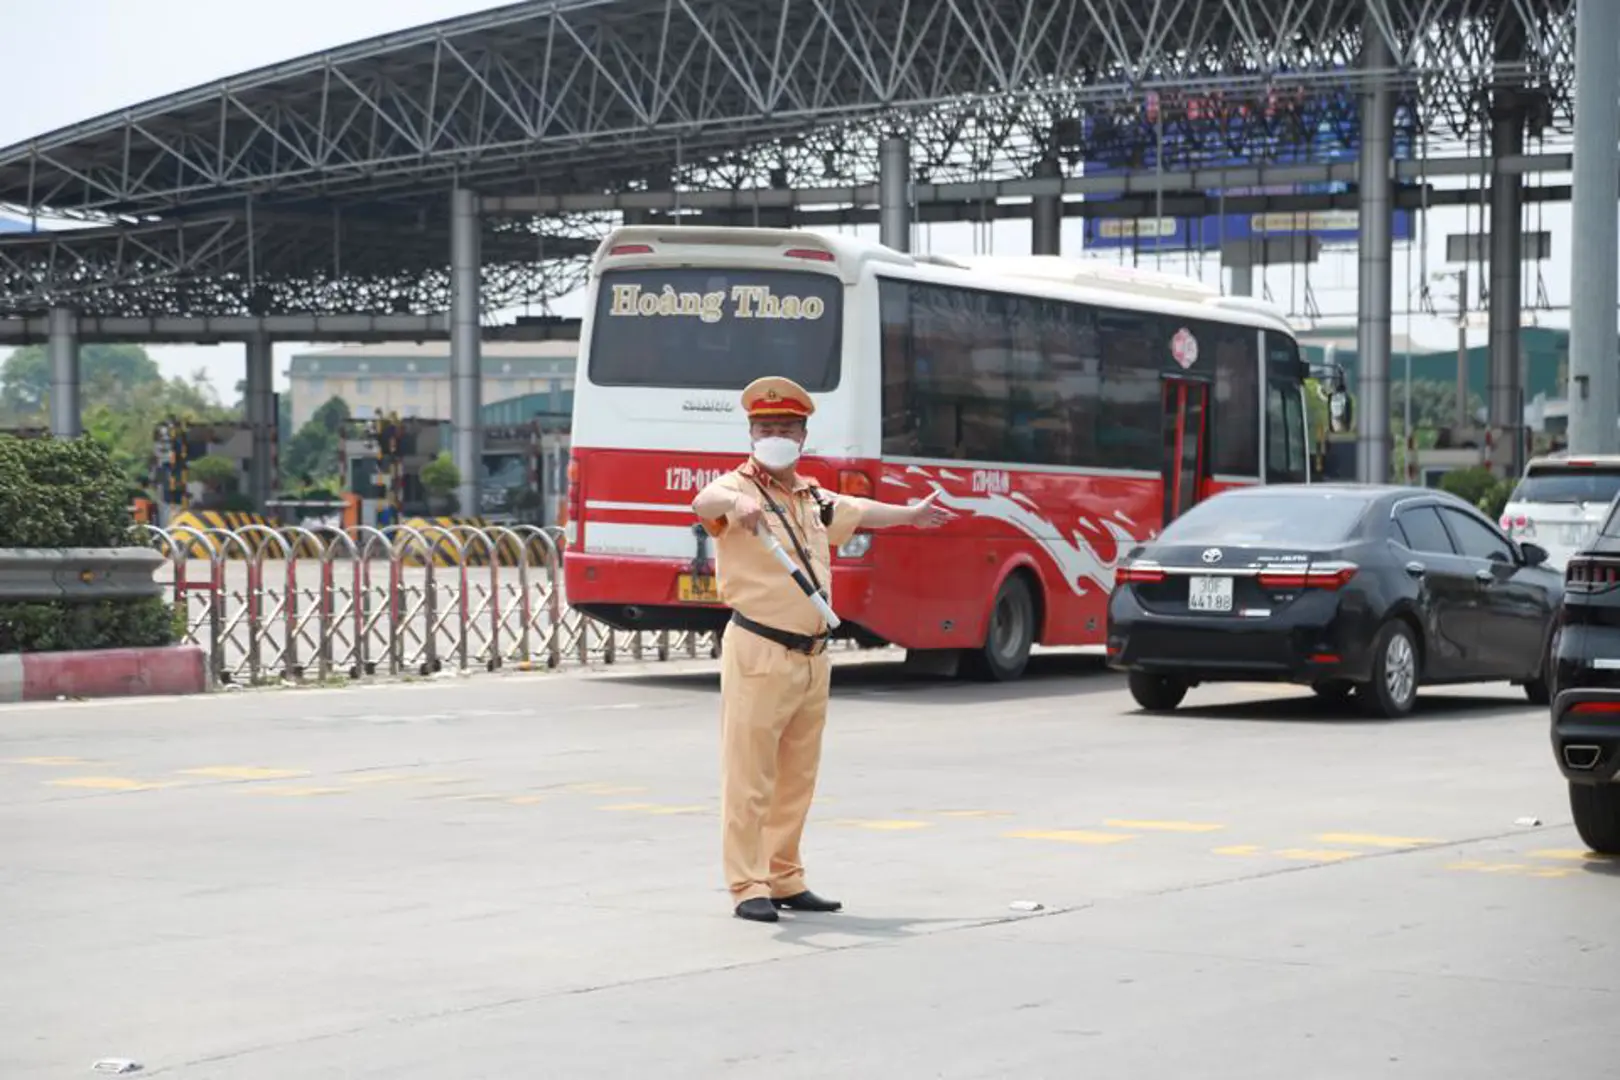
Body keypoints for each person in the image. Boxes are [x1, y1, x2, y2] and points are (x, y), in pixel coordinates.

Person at [692, 375, 953, 923]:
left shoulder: (809, 495)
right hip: (760, 648)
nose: (775, 435)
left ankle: (785, 875)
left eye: (785, 427)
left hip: (811, 655)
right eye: (765, 427)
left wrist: (909, 515)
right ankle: (747, 885)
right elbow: (704, 500)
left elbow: (856, 509)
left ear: (803, 435)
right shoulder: (739, 489)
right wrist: (738, 504)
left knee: (796, 776)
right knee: (750, 775)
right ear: (750, 433)